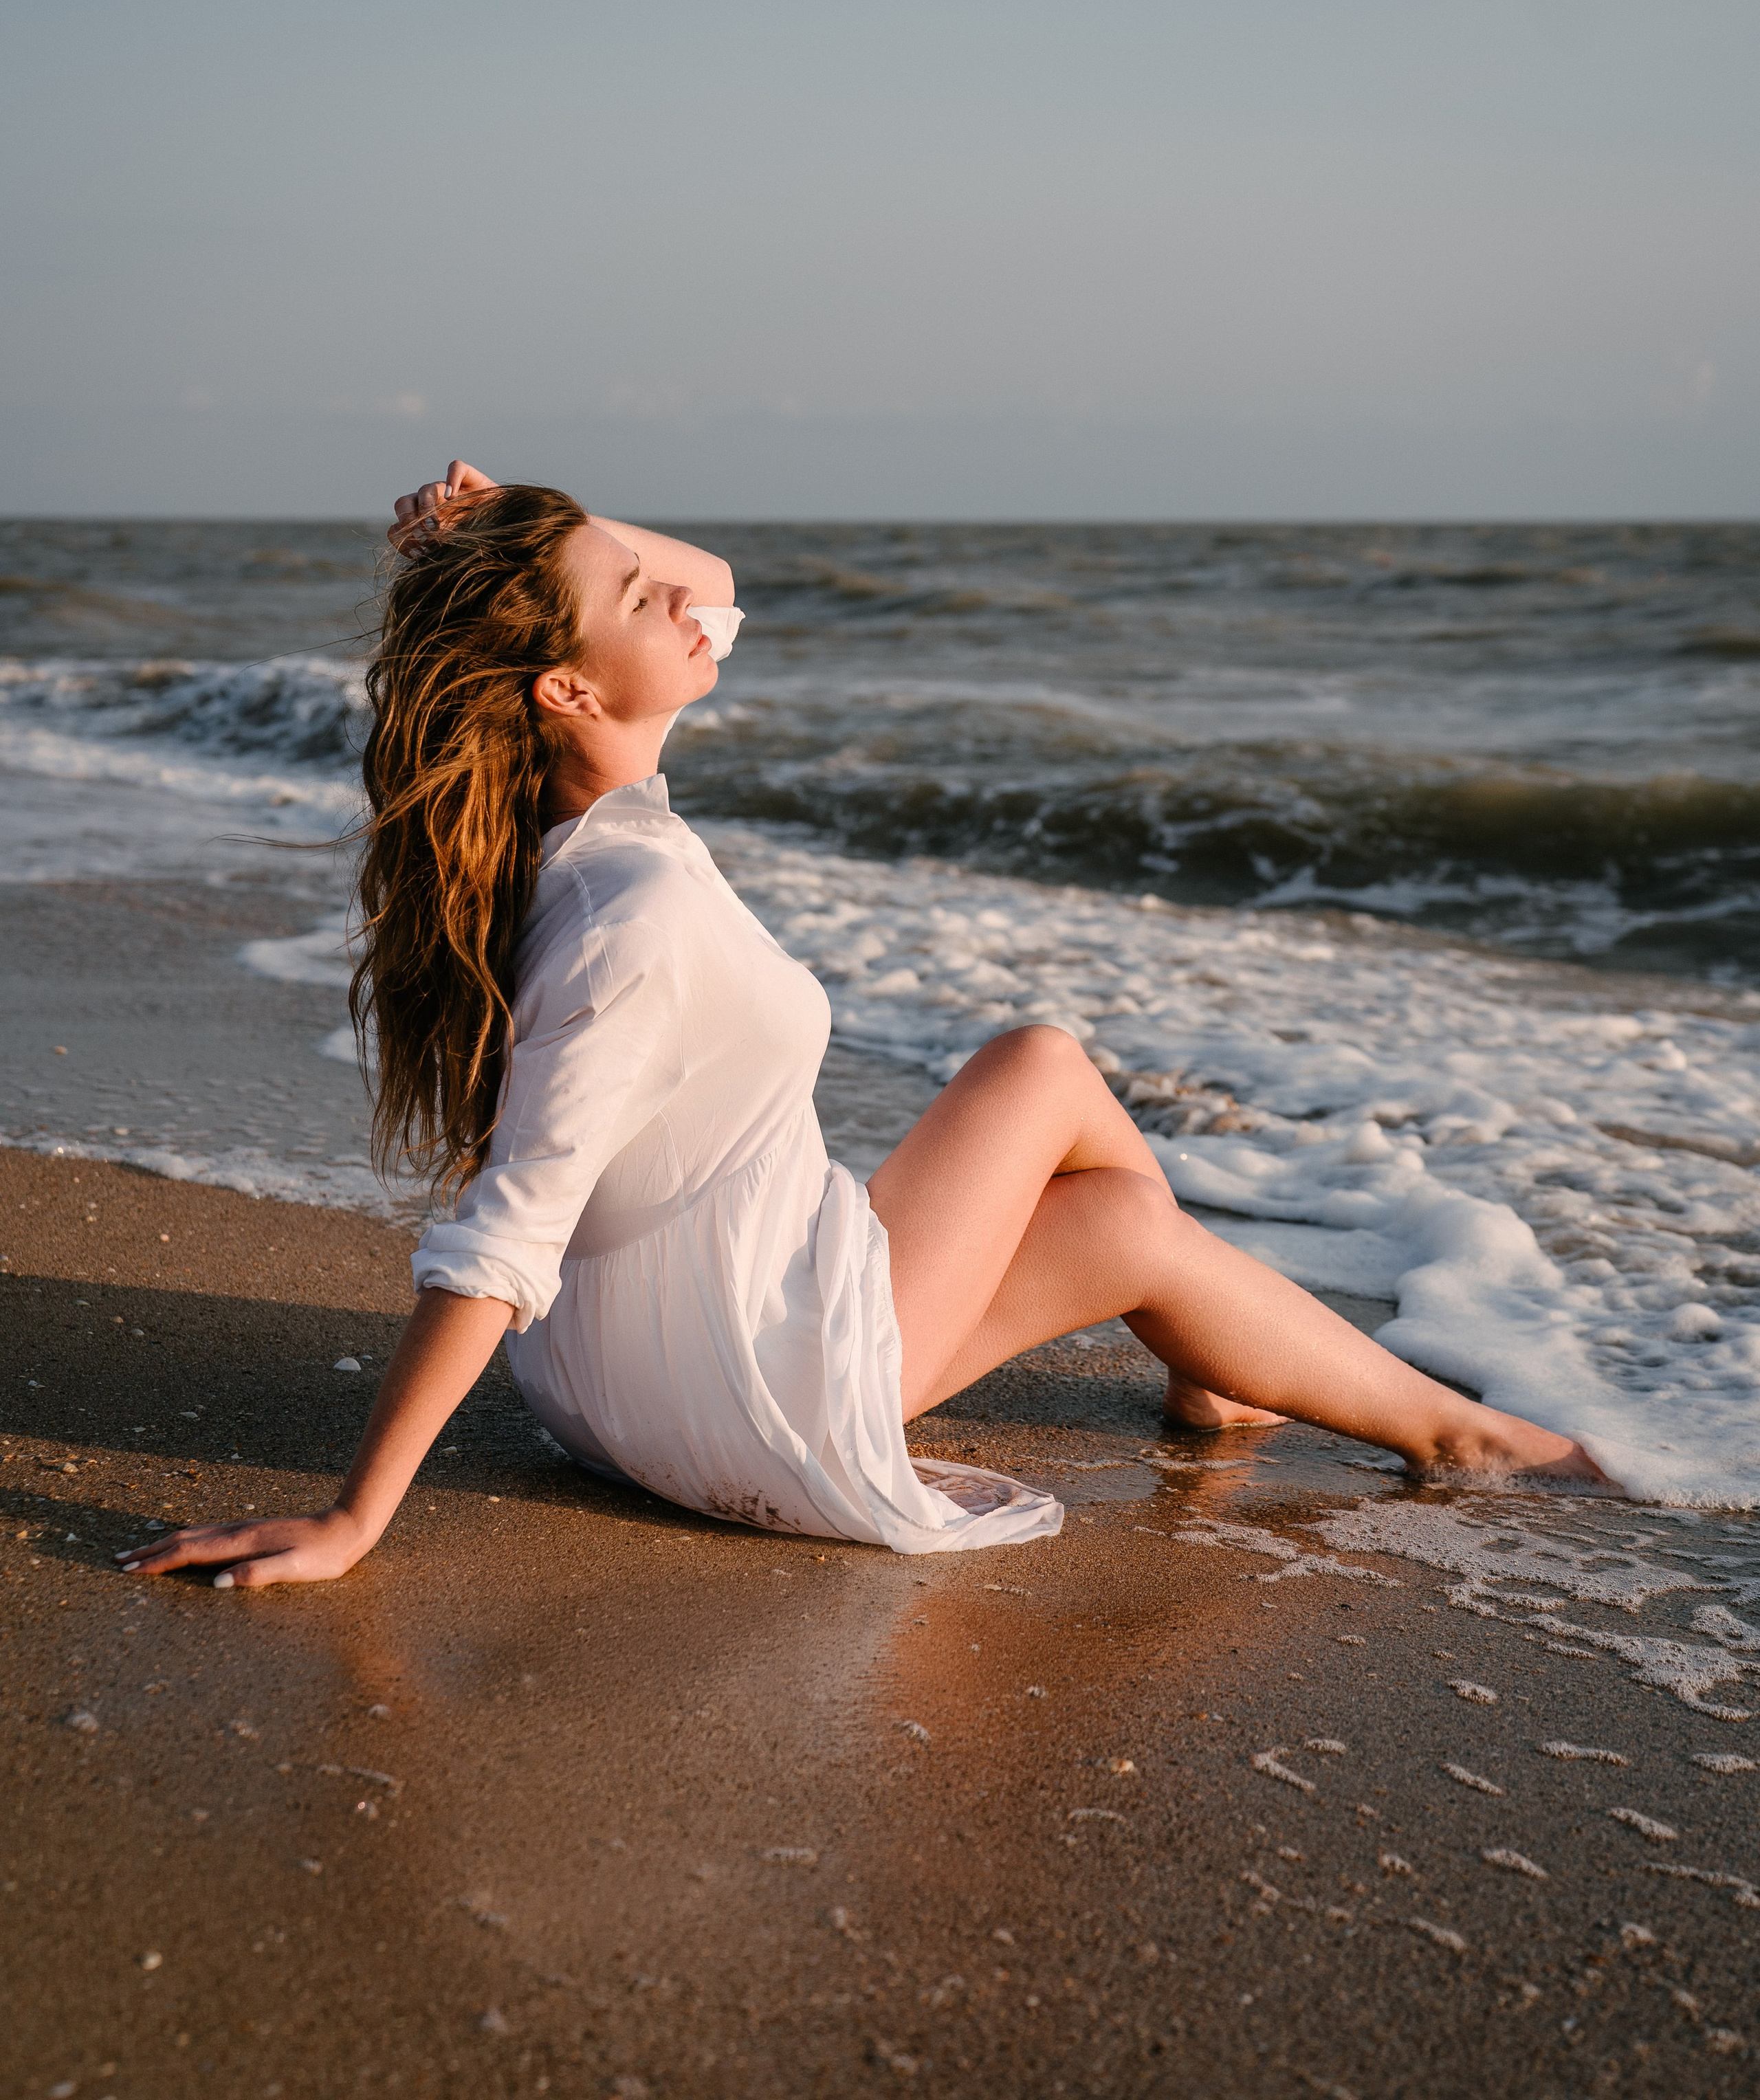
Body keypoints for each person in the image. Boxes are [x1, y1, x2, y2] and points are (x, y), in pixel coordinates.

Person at [117, 466, 1607, 1591]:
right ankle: (1443, 1432)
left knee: (1045, 1074)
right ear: (568, 684)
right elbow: (508, 1230)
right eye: (636, 602)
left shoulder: (556, 841)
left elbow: (710, 581)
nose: (690, 607)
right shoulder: (632, 908)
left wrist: (532, 517)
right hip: (737, 1395)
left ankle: (1218, 1374)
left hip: (638, 1362)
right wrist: (355, 1518)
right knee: (1123, 1220)